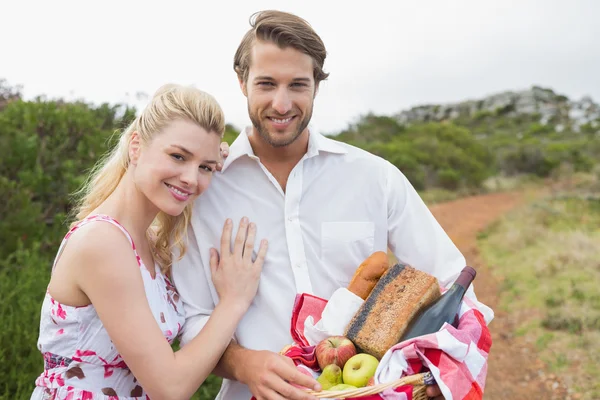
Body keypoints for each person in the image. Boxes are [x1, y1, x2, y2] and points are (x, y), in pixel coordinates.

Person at [172, 10, 494, 400]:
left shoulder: (375, 177)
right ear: (242, 82)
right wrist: (243, 363)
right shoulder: (205, 189)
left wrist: (442, 373)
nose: (281, 102)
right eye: (266, 84)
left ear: (317, 86)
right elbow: (191, 318)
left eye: (298, 85)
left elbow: (454, 285)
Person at [30, 84, 272, 400]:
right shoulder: (103, 243)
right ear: (136, 146)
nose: (190, 177)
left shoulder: (149, 240)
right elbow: (170, 387)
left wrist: (216, 157)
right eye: (177, 156)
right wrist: (234, 301)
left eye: (204, 167)